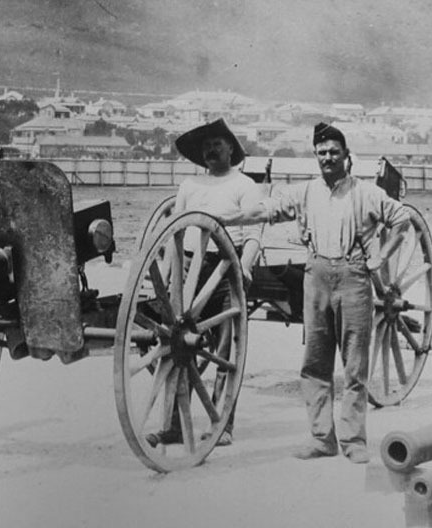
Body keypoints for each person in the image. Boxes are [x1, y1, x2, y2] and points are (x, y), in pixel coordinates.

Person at [220, 123, 410, 464]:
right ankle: (323, 439)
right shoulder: (305, 192)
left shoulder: (366, 193)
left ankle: (353, 440)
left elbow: (401, 219)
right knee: (315, 363)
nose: (328, 158)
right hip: (316, 275)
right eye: (322, 153)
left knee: (354, 363)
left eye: (334, 152)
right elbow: (265, 210)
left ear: (346, 156)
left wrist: (381, 256)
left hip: (353, 277)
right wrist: (225, 218)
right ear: (315, 156)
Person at [144, 118, 263, 449]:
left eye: (218, 144)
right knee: (176, 348)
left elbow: (254, 234)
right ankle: (172, 426)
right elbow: (174, 236)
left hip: (227, 270)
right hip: (191, 272)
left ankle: (221, 423)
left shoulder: (245, 185)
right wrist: (168, 279)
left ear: (231, 150)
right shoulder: (189, 186)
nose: (211, 150)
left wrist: (246, 269)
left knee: (225, 350)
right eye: (207, 146)